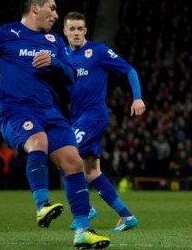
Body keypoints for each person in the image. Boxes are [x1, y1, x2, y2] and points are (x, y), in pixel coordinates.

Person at [0, 0, 110, 248]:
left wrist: (54, 62)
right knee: (38, 140)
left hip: (50, 111)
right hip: (16, 108)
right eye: (52, 9)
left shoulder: (54, 42)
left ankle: (82, 232)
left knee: (73, 161)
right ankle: (42, 205)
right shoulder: (3, 34)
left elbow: (70, 75)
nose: (56, 15)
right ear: (35, 8)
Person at [63, 12, 145, 231]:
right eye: (72, 29)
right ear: (65, 32)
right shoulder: (62, 54)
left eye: (80, 28)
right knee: (91, 173)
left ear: (86, 30)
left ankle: (85, 208)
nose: (77, 33)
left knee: (66, 157)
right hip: (76, 118)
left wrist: (137, 97)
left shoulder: (97, 52)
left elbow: (130, 70)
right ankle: (126, 217)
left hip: (94, 116)